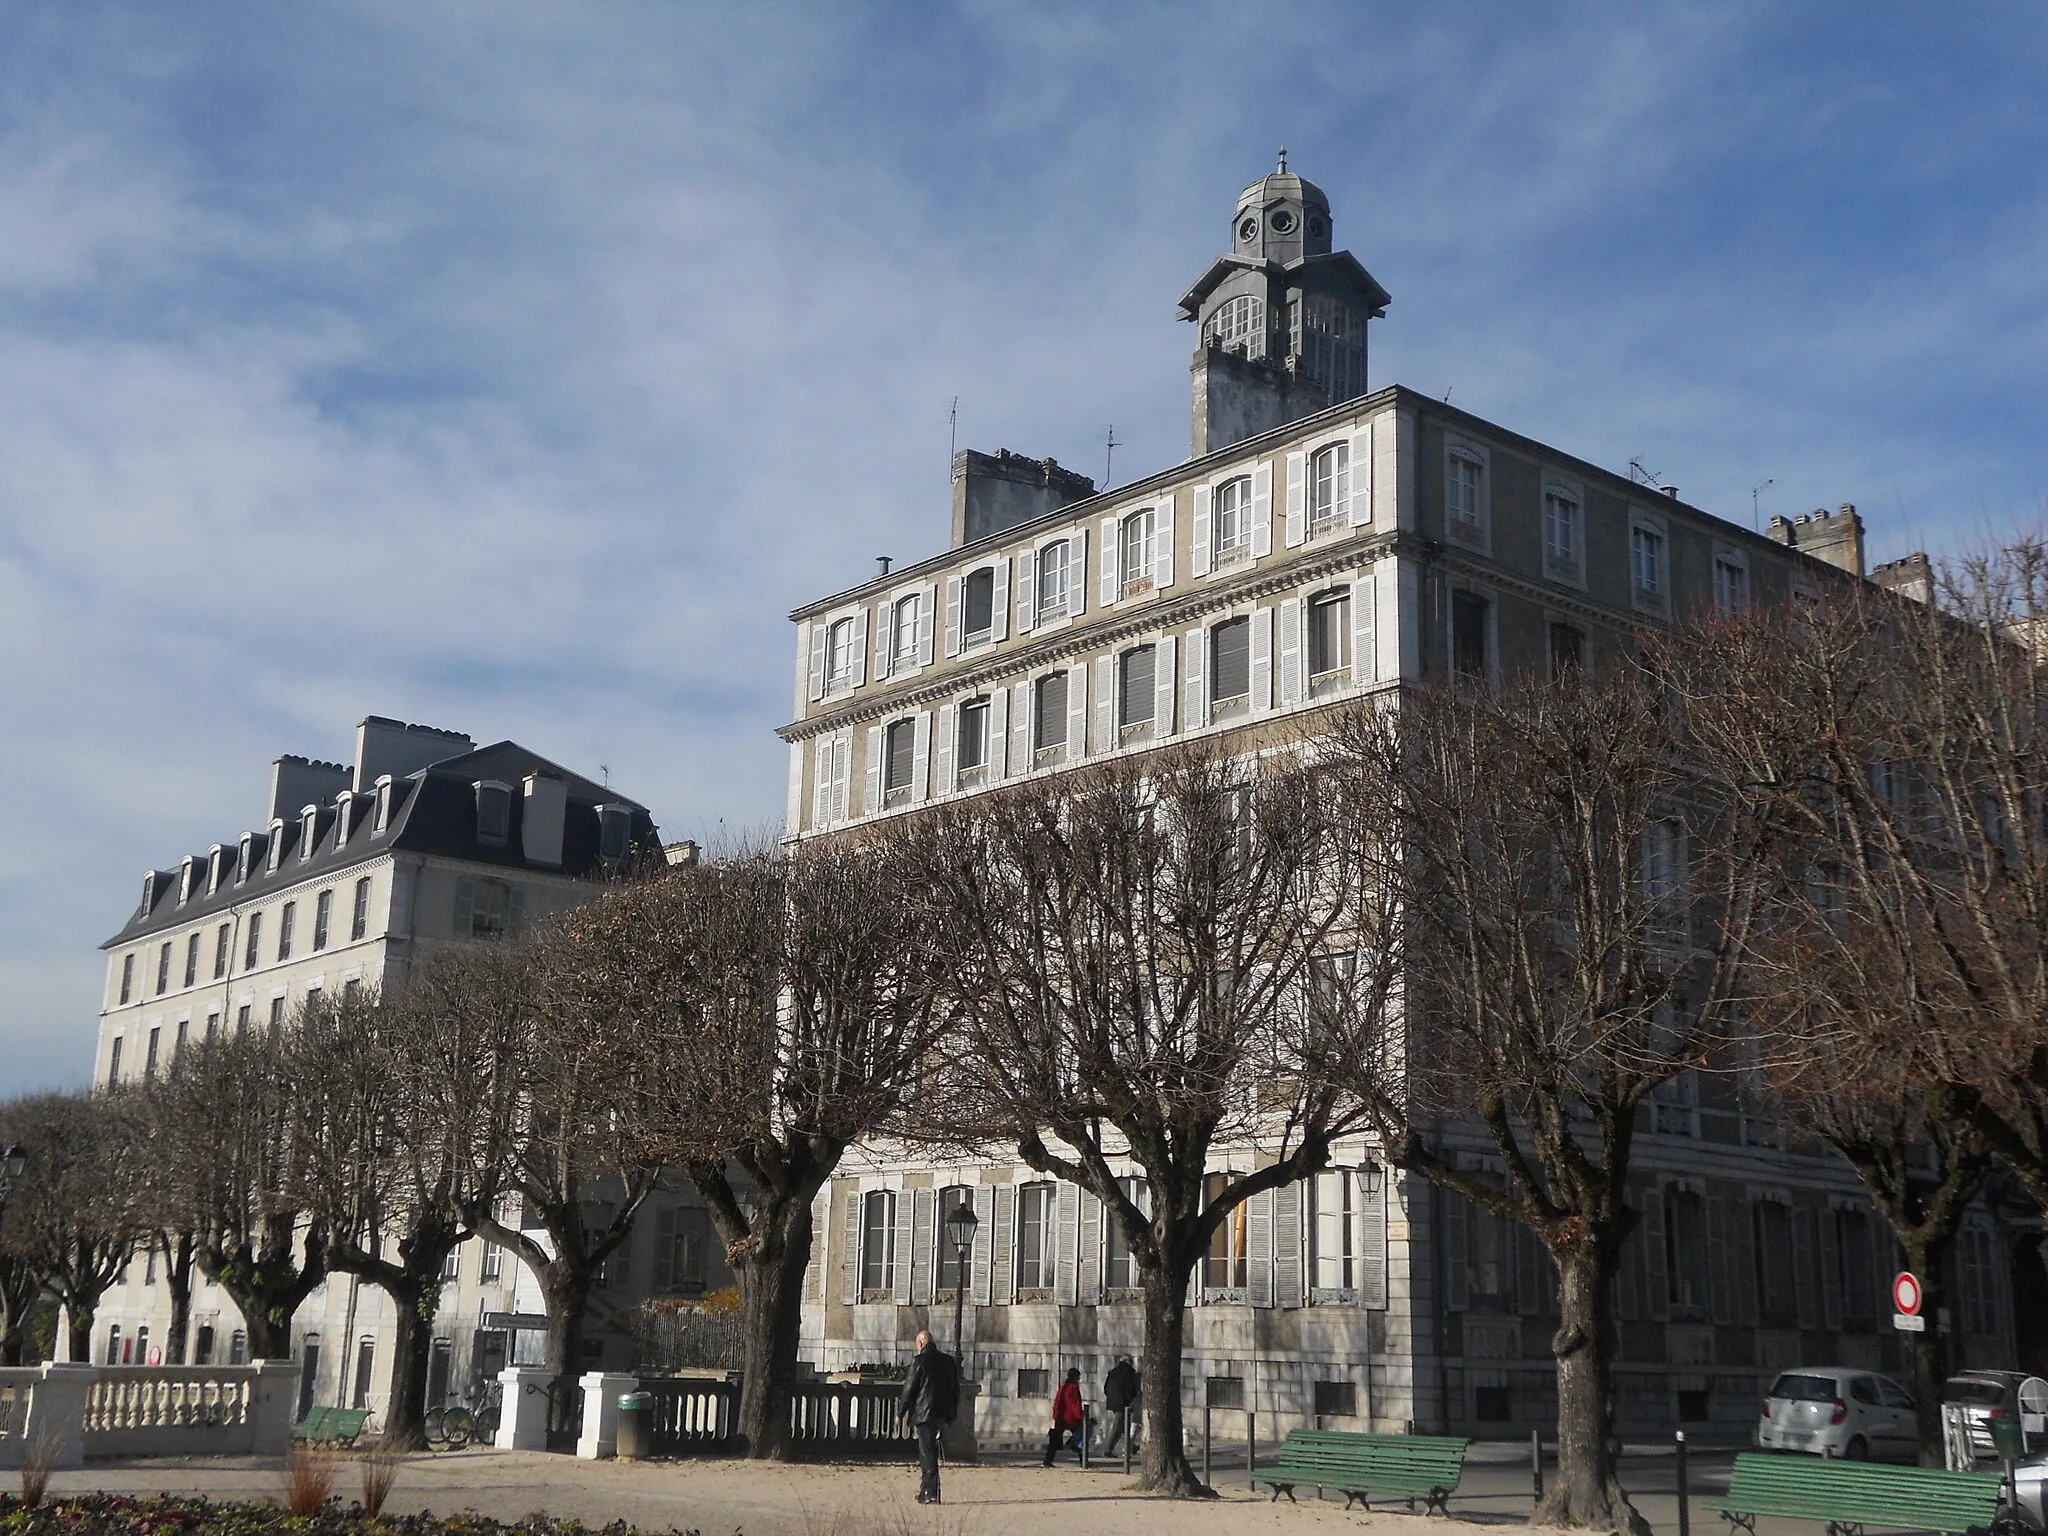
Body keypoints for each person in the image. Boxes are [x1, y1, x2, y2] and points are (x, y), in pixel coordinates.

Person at [898, 1329, 960, 1504]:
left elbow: (908, 1390)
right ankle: (927, 1490)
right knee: (930, 1452)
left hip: (925, 1414)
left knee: (927, 1453)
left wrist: (900, 1413)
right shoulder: (948, 1362)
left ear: (920, 1344)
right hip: (943, 1413)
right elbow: (956, 1390)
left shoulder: (919, 1361)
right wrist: (952, 1414)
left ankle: (930, 1492)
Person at [1044, 1366, 1087, 1466]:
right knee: (1080, 1437)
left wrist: (1055, 1415)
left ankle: (1048, 1459)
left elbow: (1057, 1402)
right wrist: (1080, 1416)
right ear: (1076, 1377)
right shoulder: (1074, 1388)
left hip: (1060, 1417)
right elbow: (1075, 1404)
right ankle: (1083, 1460)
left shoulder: (1063, 1387)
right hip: (1071, 1418)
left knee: (1055, 1439)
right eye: (1078, 1377)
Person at [1100, 1354, 1140, 1455]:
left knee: (1124, 1426)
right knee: (1118, 1427)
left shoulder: (1113, 1372)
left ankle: (1131, 1447)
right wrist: (1130, 1399)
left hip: (1113, 1403)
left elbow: (1106, 1388)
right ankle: (1108, 1450)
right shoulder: (1129, 1373)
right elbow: (1132, 1389)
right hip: (1123, 1404)